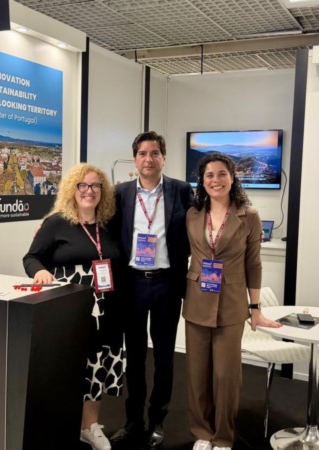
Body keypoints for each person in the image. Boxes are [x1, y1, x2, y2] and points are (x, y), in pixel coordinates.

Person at [183, 153, 282, 450]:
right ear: (202, 180)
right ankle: (202, 433)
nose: (216, 180)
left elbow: (254, 263)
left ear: (232, 177)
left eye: (222, 174)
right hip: (197, 300)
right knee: (197, 373)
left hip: (232, 302)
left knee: (226, 374)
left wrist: (255, 308)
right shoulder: (192, 214)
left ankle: (223, 436)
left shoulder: (248, 216)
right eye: (209, 175)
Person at [22, 163, 124, 450]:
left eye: (95, 186)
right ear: (72, 189)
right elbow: (31, 258)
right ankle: (60, 425)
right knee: (67, 367)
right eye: (83, 185)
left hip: (107, 309)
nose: (89, 191)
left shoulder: (109, 224)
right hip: (70, 310)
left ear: (102, 191)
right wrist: (40, 272)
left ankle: (89, 426)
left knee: (97, 366)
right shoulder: (56, 223)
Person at [110, 131, 193, 448]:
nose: (149, 159)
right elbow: (102, 227)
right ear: (135, 159)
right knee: (133, 357)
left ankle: (157, 420)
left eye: (155, 153)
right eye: (143, 153)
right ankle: (133, 421)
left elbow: (198, 228)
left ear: (164, 158)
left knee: (164, 358)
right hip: (131, 284)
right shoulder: (120, 193)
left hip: (166, 284)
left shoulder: (181, 190)